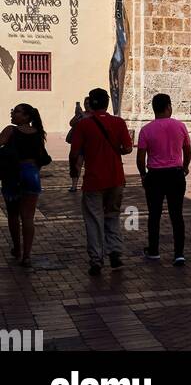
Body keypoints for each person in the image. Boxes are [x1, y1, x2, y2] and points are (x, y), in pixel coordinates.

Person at [68, 87, 133, 275]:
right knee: (113, 216)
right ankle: (115, 253)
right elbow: (127, 148)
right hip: (116, 178)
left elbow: (74, 153)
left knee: (94, 220)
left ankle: (96, 259)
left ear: (91, 103)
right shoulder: (118, 122)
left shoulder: (83, 125)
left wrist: (74, 170)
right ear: (106, 103)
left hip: (94, 180)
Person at [136, 93, 191, 266]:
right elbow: (188, 150)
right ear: (168, 106)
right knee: (177, 215)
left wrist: (143, 175)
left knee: (154, 214)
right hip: (175, 174)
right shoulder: (180, 126)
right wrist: (184, 167)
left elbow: (140, 158)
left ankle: (154, 250)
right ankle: (179, 254)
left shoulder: (146, 130)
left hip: (155, 175)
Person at [0, 105, 51, 268]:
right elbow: (41, 156)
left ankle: (17, 248)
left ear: (26, 116)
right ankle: (27, 255)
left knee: (13, 215)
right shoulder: (38, 133)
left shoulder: (10, 131)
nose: (12, 113)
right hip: (32, 173)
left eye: (16, 111)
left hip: (13, 174)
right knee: (28, 217)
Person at [65, 97, 91, 193]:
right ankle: (74, 185)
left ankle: (87, 184)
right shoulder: (80, 114)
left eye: (88, 103)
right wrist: (77, 115)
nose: (86, 105)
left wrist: (82, 114)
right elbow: (71, 123)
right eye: (85, 103)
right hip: (79, 143)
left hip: (90, 144)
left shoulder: (93, 115)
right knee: (76, 165)